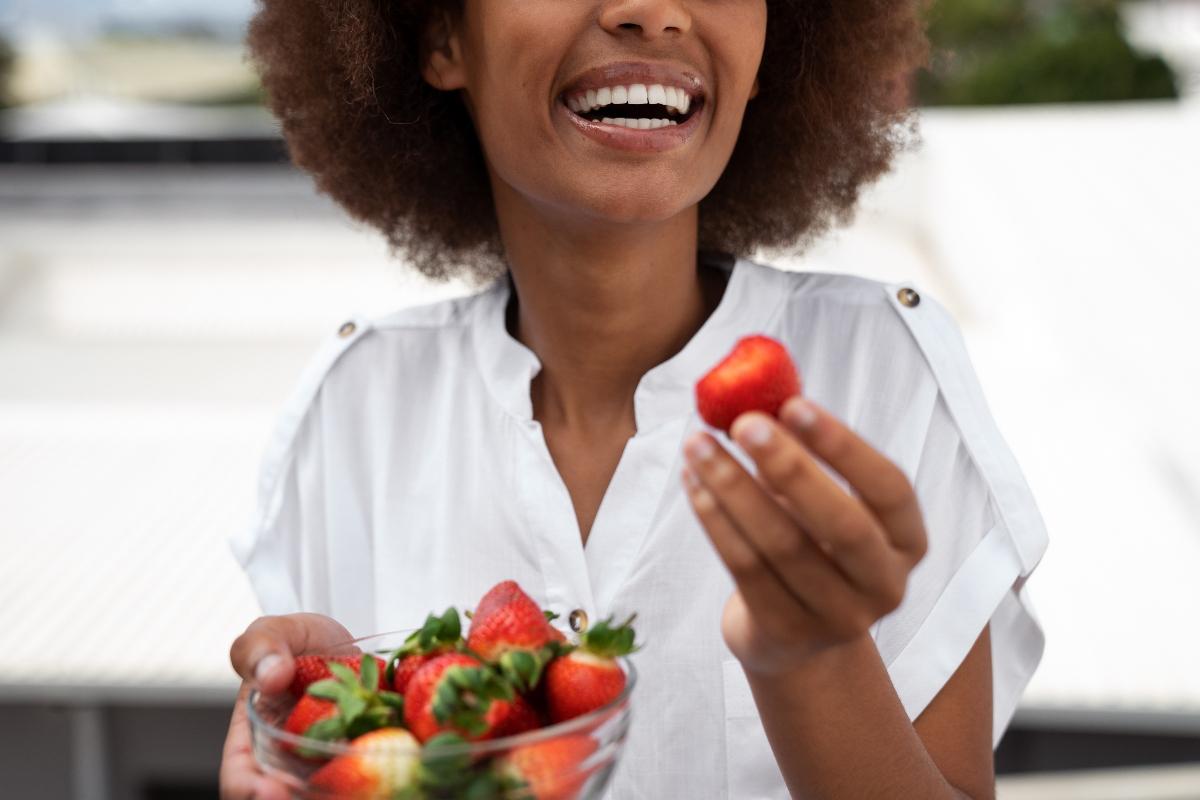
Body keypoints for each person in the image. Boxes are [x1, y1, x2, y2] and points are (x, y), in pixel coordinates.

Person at [220, 0, 1048, 798]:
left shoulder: (880, 370)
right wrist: (325, 758)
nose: (652, 11)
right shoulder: (353, 407)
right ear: (441, 35)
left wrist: (816, 660)